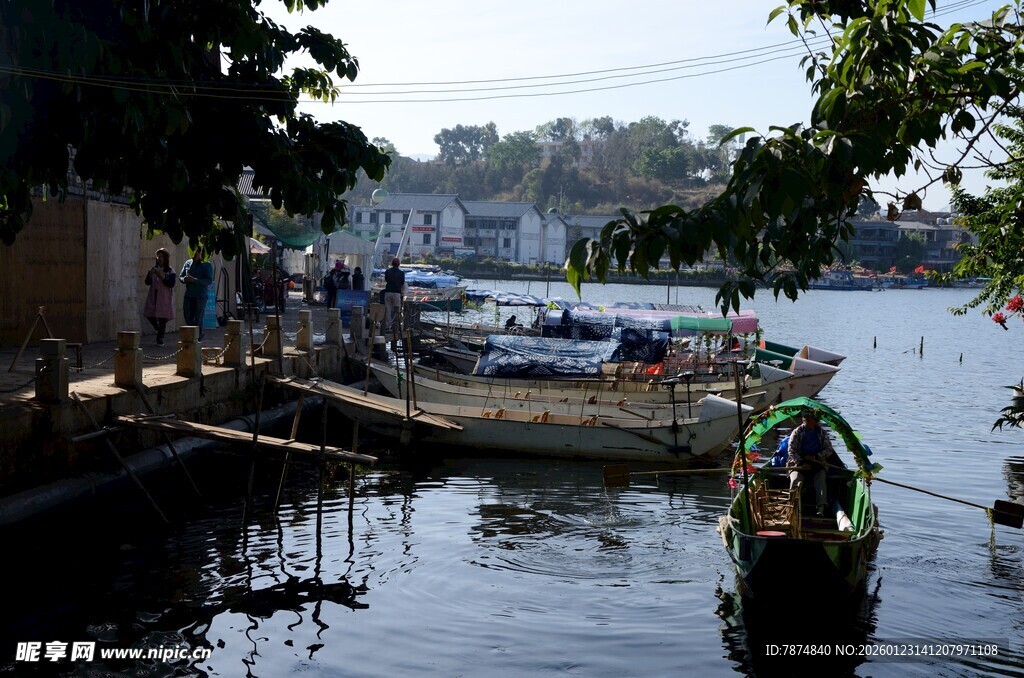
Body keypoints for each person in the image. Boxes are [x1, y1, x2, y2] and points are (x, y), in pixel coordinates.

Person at [787, 409, 846, 517]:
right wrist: (800, 462)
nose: (807, 420)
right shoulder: (797, 432)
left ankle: (820, 508)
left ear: (815, 420)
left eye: (810, 418)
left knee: (820, 480)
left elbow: (829, 449)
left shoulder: (821, 433)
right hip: (799, 464)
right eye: (806, 418)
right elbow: (791, 450)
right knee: (795, 480)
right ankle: (792, 507)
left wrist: (817, 456)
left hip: (817, 463)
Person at [143, 248, 176, 345]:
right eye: (158, 256)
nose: (159, 258)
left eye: (161, 256)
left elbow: (171, 283)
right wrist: (150, 275)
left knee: (163, 317)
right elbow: (147, 282)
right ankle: (156, 327)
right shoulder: (153, 269)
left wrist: (163, 277)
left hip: (164, 296)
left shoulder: (170, 271)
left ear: (165, 258)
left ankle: (160, 338)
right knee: (149, 313)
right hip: (153, 295)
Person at [180, 247, 214, 341]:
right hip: (189, 294)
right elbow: (181, 276)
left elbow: (209, 280)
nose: (195, 255)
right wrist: (184, 279)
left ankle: (197, 338)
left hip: (200, 295)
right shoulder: (188, 263)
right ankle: (191, 336)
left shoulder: (206, 264)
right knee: (187, 316)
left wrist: (195, 280)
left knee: (198, 318)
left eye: (197, 253)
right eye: (193, 253)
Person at [383, 257, 405, 333]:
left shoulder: (387, 271)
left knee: (388, 310)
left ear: (392, 264)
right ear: (398, 264)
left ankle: (388, 326)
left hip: (388, 291)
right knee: (396, 310)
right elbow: (402, 283)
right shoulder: (401, 273)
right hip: (396, 293)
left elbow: (386, 280)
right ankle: (395, 326)